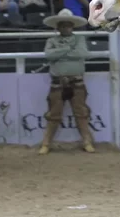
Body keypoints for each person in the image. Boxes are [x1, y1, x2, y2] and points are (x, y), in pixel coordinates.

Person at [39, 9, 95, 154]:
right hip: (58, 82)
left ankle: (87, 141)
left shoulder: (79, 39)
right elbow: (49, 55)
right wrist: (68, 49)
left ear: (72, 26)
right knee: (54, 114)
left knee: (81, 112)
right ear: (58, 27)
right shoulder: (51, 41)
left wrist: (61, 51)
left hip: (76, 81)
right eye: (62, 25)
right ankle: (46, 143)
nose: (65, 28)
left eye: (68, 25)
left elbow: (83, 53)